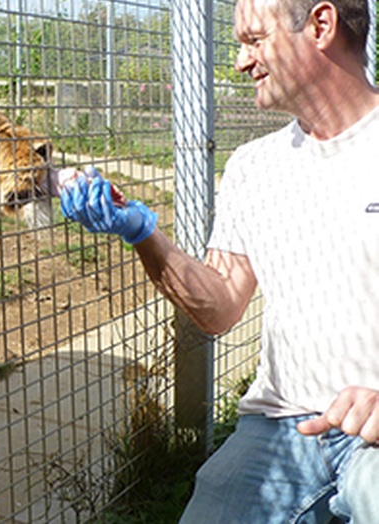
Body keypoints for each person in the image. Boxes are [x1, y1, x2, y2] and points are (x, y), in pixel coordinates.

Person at [58, 0, 379, 522]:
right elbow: (221, 305)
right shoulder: (253, 167)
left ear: (321, 26)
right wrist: (143, 235)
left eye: (253, 39)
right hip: (281, 424)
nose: (240, 62)